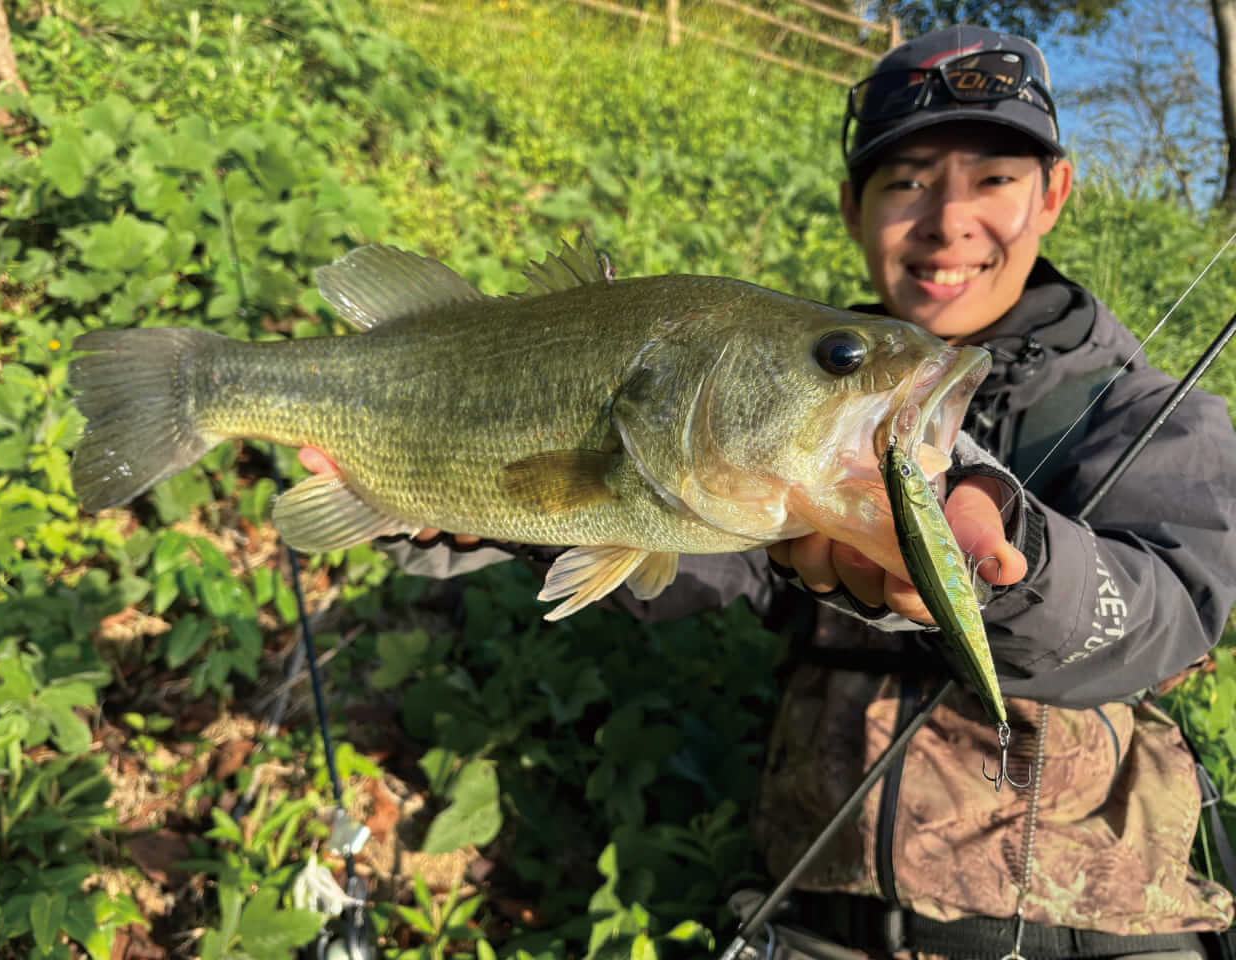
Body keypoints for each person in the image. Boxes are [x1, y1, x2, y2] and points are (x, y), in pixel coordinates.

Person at [299, 23, 1236, 958]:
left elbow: (1173, 615)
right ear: (852, 206)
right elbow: (708, 565)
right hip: (811, 921)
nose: (949, 220)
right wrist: (476, 506)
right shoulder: (777, 379)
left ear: (1055, 193)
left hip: (1103, 934)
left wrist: (1012, 567)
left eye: (993, 178)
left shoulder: (1159, 419)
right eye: (907, 181)